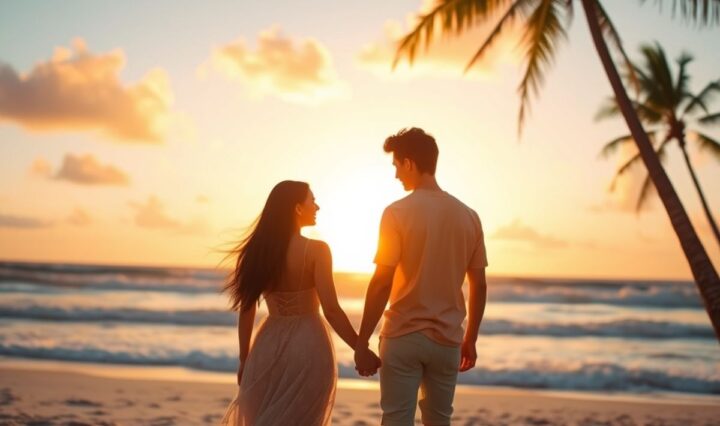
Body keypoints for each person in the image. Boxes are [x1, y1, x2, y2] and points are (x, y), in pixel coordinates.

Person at [354, 128, 488, 426]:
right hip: (448, 341)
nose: (396, 175)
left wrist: (362, 341)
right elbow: (479, 284)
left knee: (396, 420)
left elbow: (381, 282)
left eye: (397, 166)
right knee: (440, 421)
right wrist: (471, 338)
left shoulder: (396, 213)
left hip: (403, 335)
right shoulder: (469, 216)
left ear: (410, 163)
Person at [220, 180, 380, 425]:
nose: (317, 206)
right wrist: (359, 348)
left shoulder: (256, 251)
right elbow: (332, 310)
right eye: (312, 200)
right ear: (297, 208)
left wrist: (245, 359)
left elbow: (247, 310)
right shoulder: (316, 250)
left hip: (267, 347)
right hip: (308, 346)